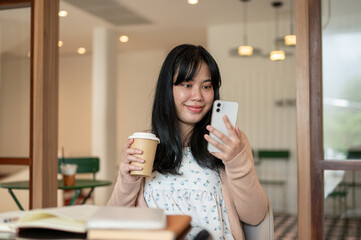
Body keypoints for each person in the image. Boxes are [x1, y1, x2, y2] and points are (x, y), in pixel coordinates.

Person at [108, 44, 268, 240]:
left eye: (206, 86)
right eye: (187, 85)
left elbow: (255, 216)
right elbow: (113, 220)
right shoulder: (144, 143)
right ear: (168, 89)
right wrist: (127, 182)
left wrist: (236, 162)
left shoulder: (231, 142)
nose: (198, 96)